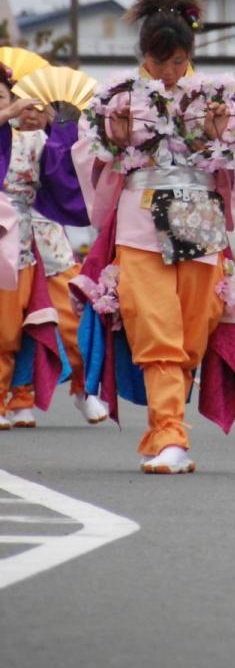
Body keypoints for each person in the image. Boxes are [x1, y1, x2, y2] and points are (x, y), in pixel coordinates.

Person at [71, 0, 235, 474]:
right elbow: (91, 156)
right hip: (140, 221)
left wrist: (219, 136)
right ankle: (172, 434)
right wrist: (113, 142)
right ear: (144, 57)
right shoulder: (119, 98)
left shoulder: (216, 98)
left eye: (177, 61)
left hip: (198, 215)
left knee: (193, 330)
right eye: (158, 62)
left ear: (189, 54)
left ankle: (165, 429)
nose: (168, 72)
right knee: (154, 325)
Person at [0, 68, 88, 430]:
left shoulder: (38, 141)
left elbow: (64, 173)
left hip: (32, 236)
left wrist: (58, 126)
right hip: (10, 234)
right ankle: (12, 395)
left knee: (49, 320)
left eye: (3, 98)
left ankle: (76, 387)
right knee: (8, 326)